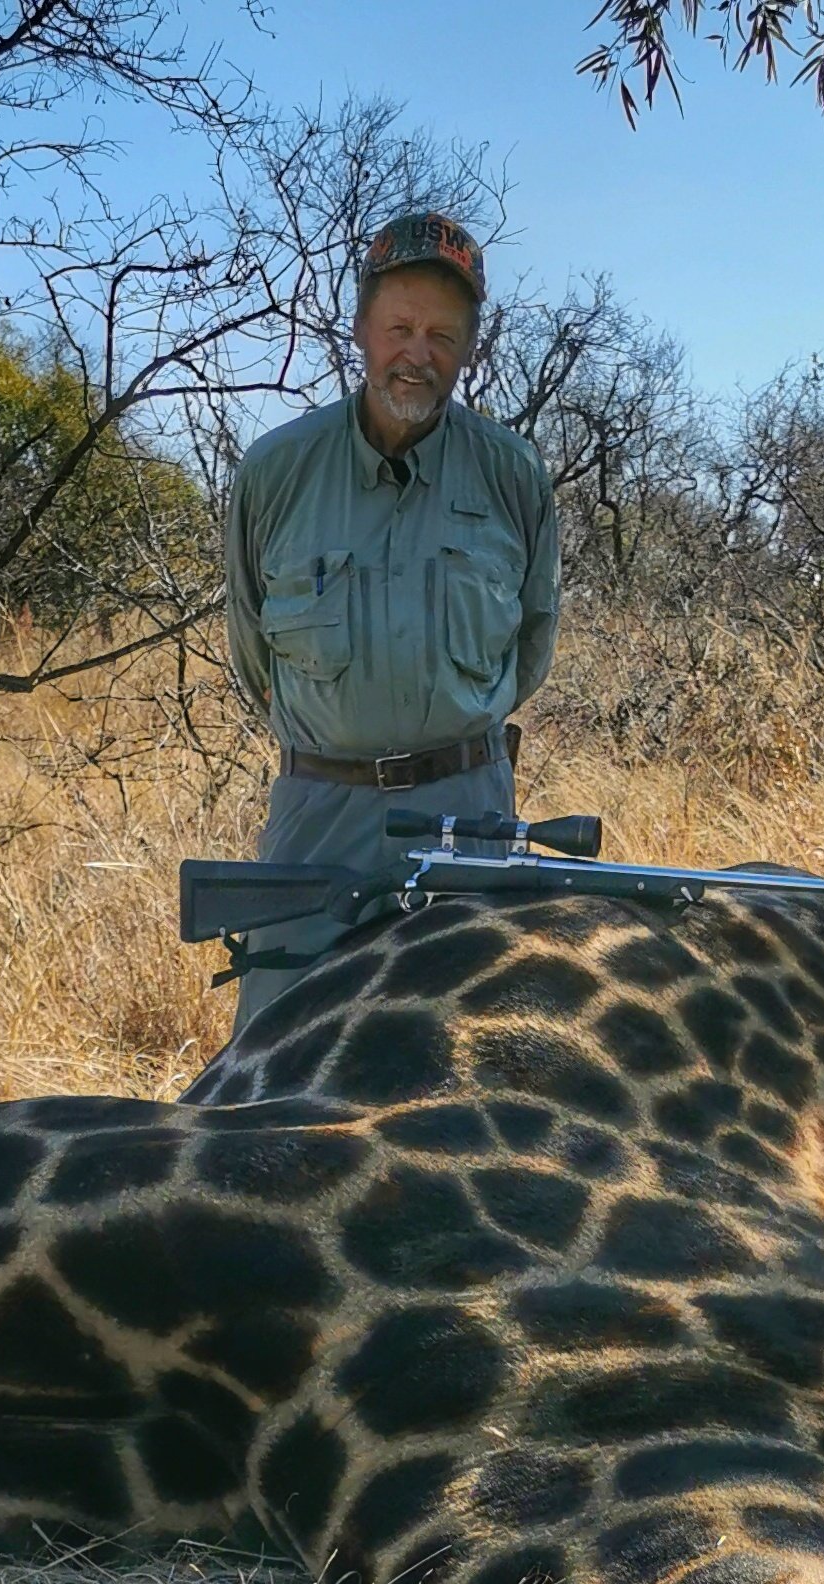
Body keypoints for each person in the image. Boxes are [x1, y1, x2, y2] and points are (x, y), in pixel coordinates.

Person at [223, 208, 560, 1023]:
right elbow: (251, 658)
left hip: (469, 815)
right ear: (361, 330)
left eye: (443, 335)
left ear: (470, 348)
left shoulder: (512, 473)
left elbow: (530, 648)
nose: (418, 354)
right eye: (400, 327)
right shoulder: (276, 471)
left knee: (472, 1074)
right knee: (272, 1068)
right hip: (320, 821)